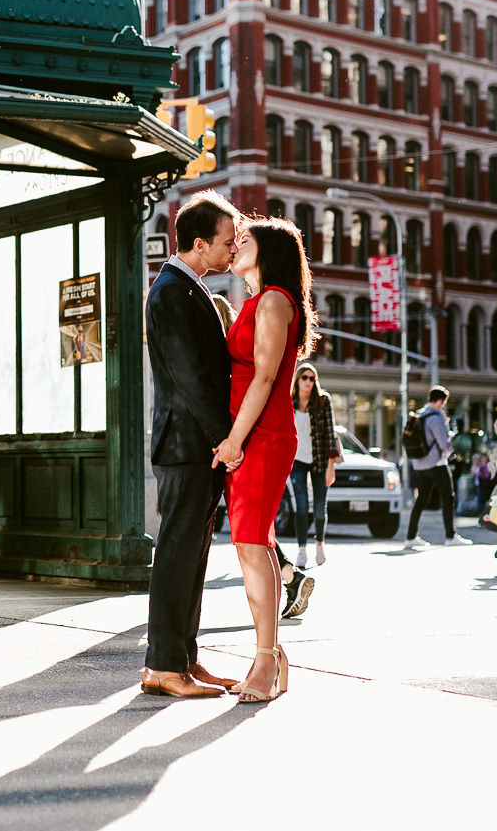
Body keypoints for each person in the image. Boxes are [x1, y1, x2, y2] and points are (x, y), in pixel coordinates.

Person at [140, 190, 243, 698]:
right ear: (199, 244)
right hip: (187, 446)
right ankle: (162, 665)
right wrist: (227, 440)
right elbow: (192, 379)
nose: (233, 249)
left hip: (193, 445)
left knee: (193, 557)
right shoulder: (172, 293)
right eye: (227, 242)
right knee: (178, 555)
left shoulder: (188, 287)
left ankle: (184, 659)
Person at [213, 216, 318, 703]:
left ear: (269, 251)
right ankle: (271, 656)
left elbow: (263, 379)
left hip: (263, 435)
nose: (234, 246)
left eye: (244, 240)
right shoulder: (255, 302)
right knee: (257, 545)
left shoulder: (275, 300)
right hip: (253, 434)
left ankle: (264, 658)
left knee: (252, 545)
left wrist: (234, 441)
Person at [403, 386, 473, 549]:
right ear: (441, 401)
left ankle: (410, 537)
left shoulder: (420, 414)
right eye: (444, 402)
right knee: (448, 499)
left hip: (420, 464)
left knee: (421, 501)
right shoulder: (436, 417)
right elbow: (444, 444)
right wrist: (450, 442)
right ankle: (450, 536)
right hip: (437, 464)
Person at [288, 362, 340, 568]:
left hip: (319, 460)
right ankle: (302, 549)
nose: (309, 381)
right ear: (298, 380)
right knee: (301, 507)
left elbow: (330, 433)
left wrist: (331, 465)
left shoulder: (322, 401)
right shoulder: (289, 402)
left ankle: (319, 544)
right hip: (297, 461)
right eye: (305, 378)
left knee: (319, 508)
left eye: (312, 378)